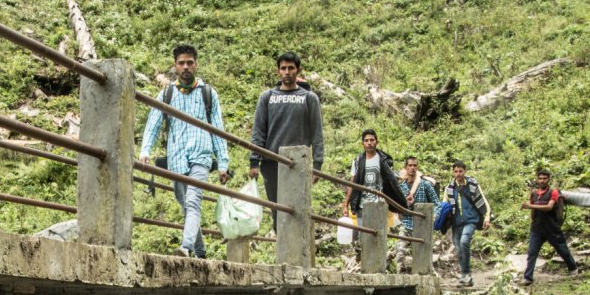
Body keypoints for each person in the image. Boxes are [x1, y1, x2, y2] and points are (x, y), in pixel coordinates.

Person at [139, 44, 230, 258]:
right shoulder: (167, 93)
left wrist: (223, 162)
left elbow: (217, 128)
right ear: (175, 66)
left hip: (201, 155)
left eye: (190, 63)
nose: (186, 67)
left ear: (196, 64)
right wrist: (145, 150)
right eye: (182, 63)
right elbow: (153, 123)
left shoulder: (208, 93)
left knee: (193, 201)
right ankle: (200, 251)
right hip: (177, 158)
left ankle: (186, 248)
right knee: (186, 204)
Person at [248, 51, 324, 233]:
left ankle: (297, 252)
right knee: (277, 208)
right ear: (278, 71)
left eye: (291, 68)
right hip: (271, 162)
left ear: (298, 70)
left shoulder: (309, 98)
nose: (287, 72)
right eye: (283, 68)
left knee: (297, 208)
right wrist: (254, 161)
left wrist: (318, 164)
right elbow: (259, 130)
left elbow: (317, 133)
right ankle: (282, 249)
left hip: (298, 163)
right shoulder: (267, 97)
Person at [519, 169, 578, 285]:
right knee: (532, 253)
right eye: (540, 178)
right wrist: (533, 219)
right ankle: (528, 278)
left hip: (552, 228)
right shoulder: (534, 194)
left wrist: (530, 205)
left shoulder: (553, 192)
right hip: (537, 229)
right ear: (536, 179)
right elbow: (533, 211)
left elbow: (549, 207)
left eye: (544, 178)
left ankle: (573, 268)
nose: (542, 181)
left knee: (562, 250)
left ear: (548, 179)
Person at [341, 129, 410, 226]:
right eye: (366, 140)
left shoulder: (384, 160)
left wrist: (399, 203)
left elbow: (392, 183)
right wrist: (346, 205)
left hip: (379, 204)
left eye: (372, 140)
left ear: (376, 142)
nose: (369, 143)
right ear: (362, 143)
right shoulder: (357, 161)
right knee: (364, 235)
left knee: (378, 235)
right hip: (362, 205)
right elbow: (352, 184)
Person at [443, 161, 491, 287]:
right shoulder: (449, 188)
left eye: (461, 171)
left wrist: (487, 217)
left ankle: (466, 274)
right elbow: (444, 205)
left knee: (464, 241)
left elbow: (483, 201)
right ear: (453, 172)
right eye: (456, 171)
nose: (458, 174)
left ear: (465, 171)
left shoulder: (472, 185)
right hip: (456, 222)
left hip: (471, 220)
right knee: (458, 249)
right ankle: (466, 277)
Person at [394, 156, 438, 272]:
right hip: (407, 222)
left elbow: (437, 203)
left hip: (422, 224)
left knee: (422, 253)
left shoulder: (425, 185)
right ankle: (400, 275)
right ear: (405, 168)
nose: (412, 168)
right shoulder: (401, 187)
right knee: (400, 250)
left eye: (415, 165)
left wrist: (433, 217)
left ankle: (426, 274)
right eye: (410, 165)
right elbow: (397, 205)